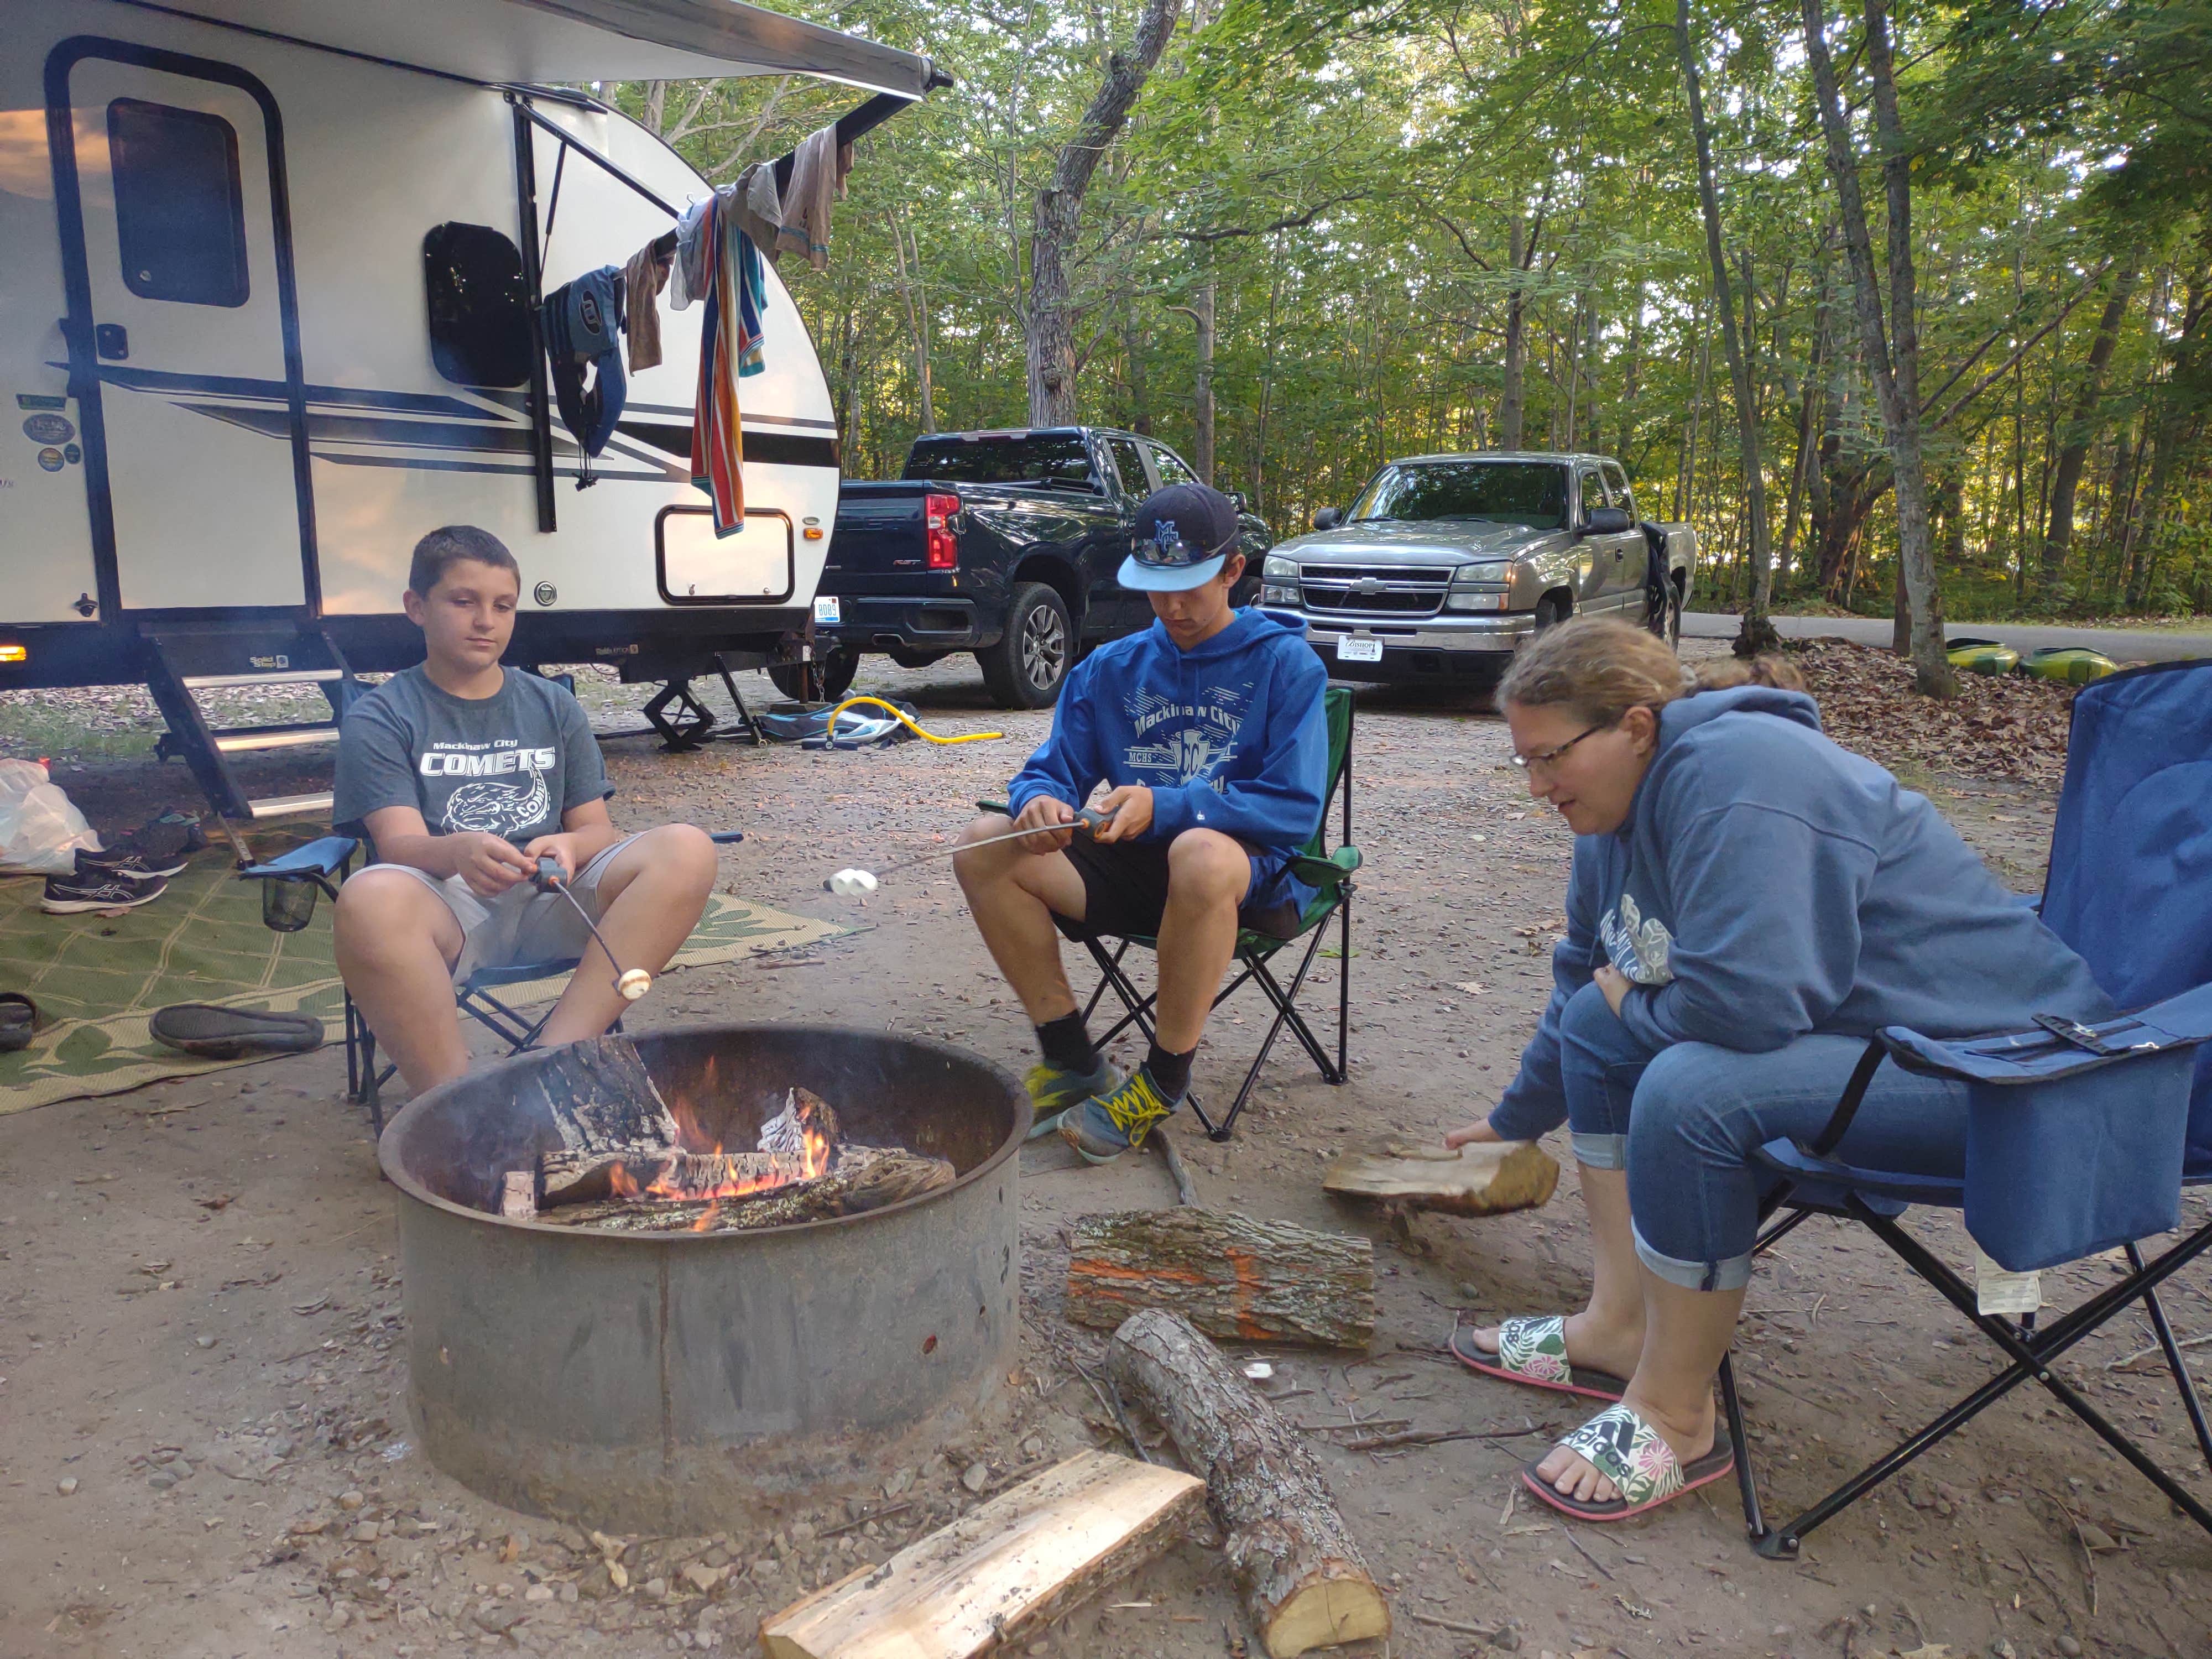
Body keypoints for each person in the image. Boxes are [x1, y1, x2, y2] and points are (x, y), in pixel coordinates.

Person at [1444, 617, 2111, 1521]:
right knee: (1605, 1033)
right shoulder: (1608, 817)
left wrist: (1632, 1003)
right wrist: (1516, 1117)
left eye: (1549, 757)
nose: (1536, 786)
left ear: (1636, 727)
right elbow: (1583, 979)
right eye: (1522, 761)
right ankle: (1620, 1323)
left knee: (1691, 1088)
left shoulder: (1742, 777)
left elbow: (1749, 1008)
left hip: (2005, 1067)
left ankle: (1677, 1416)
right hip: (1871, 1048)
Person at [955, 483, 1329, 1164]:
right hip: (1135, 868)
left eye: (1189, 586)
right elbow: (1049, 770)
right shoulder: (1111, 668)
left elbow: (1293, 809)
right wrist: (1037, 800)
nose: (1172, 607)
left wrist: (1171, 805)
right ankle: (1072, 1061)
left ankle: (1161, 1080)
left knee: (1200, 853)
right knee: (986, 846)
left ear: (1233, 570)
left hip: (1242, 877)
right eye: (1156, 588)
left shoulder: (1285, 666)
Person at [331, 526, 716, 1094]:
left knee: (687, 848)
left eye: (503, 606)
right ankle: (458, 1107)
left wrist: (568, 846)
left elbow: (595, 830)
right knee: (368, 897)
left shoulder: (551, 705)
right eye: (464, 602)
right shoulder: (383, 715)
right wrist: (459, 850)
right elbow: (398, 846)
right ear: (416, 607)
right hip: (450, 910)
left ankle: (556, 1063)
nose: (485, 621)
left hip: (553, 898)